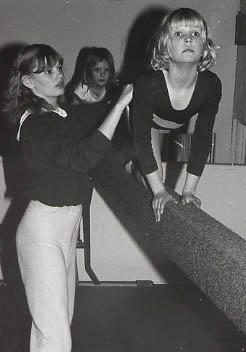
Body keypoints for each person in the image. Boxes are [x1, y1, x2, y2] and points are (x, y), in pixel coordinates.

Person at [1, 43, 133, 352]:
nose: (58, 74)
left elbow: (92, 136)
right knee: (54, 336)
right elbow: (82, 155)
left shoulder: (59, 116)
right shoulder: (36, 124)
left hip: (64, 229)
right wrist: (118, 105)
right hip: (43, 232)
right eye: (47, 70)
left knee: (56, 328)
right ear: (28, 82)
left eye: (59, 67)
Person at [130, 7, 222, 222]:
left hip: (174, 125)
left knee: (162, 181)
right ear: (165, 46)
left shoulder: (210, 85)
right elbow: (141, 139)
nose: (188, 40)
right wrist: (159, 190)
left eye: (195, 34)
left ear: (205, 47)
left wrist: (189, 191)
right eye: (179, 34)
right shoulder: (149, 83)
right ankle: (132, 167)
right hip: (146, 124)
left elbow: (202, 139)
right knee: (155, 182)